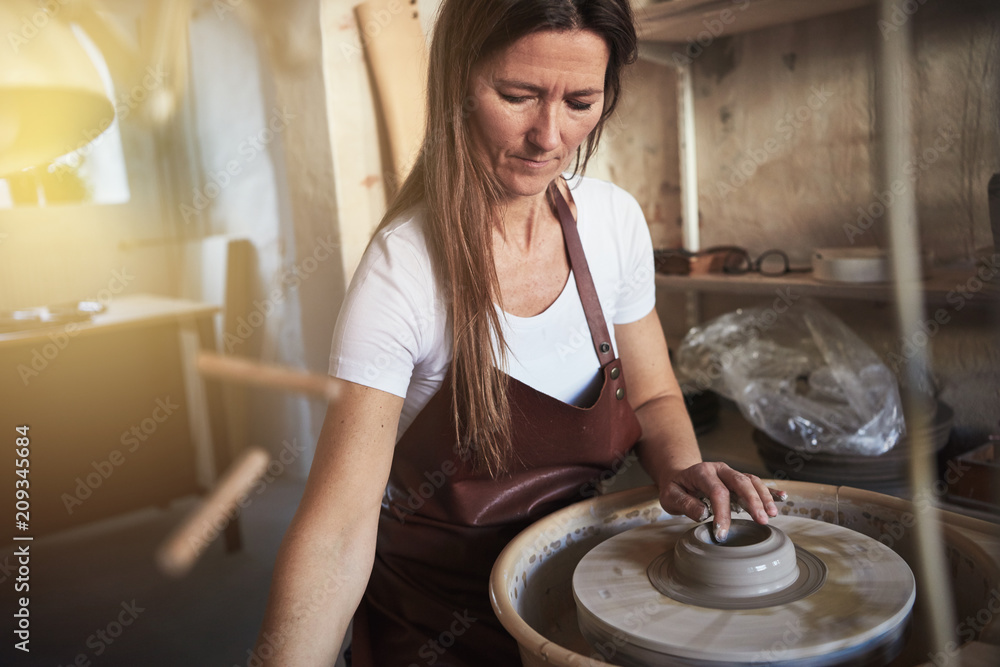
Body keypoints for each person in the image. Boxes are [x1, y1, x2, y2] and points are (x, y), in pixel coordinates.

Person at [255, 0, 783, 665]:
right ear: (458, 84)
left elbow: (651, 400)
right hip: (436, 621)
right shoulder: (405, 271)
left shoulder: (611, 224)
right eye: (518, 95)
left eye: (581, 102)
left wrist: (682, 467)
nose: (549, 136)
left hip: (573, 595)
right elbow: (337, 532)